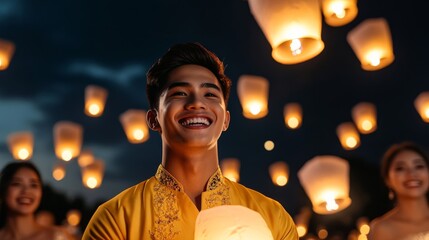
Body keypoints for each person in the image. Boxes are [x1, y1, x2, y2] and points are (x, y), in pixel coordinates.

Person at [82, 42, 298, 239]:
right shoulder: (115, 219)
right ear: (153, 119)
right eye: (179, 93)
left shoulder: (273, 219)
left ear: (226, 119)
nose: (196, 103)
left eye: (210, 95)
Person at [368, 141, 429, 240]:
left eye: (419, 166)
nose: (411, 174)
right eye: (400, 168)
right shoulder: (382, 228)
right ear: (388, 179)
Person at [0, 161, 75, 240]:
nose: (26, 191)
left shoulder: (57, 236)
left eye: (33, 185)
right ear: (3, 190)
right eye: (17, 183)